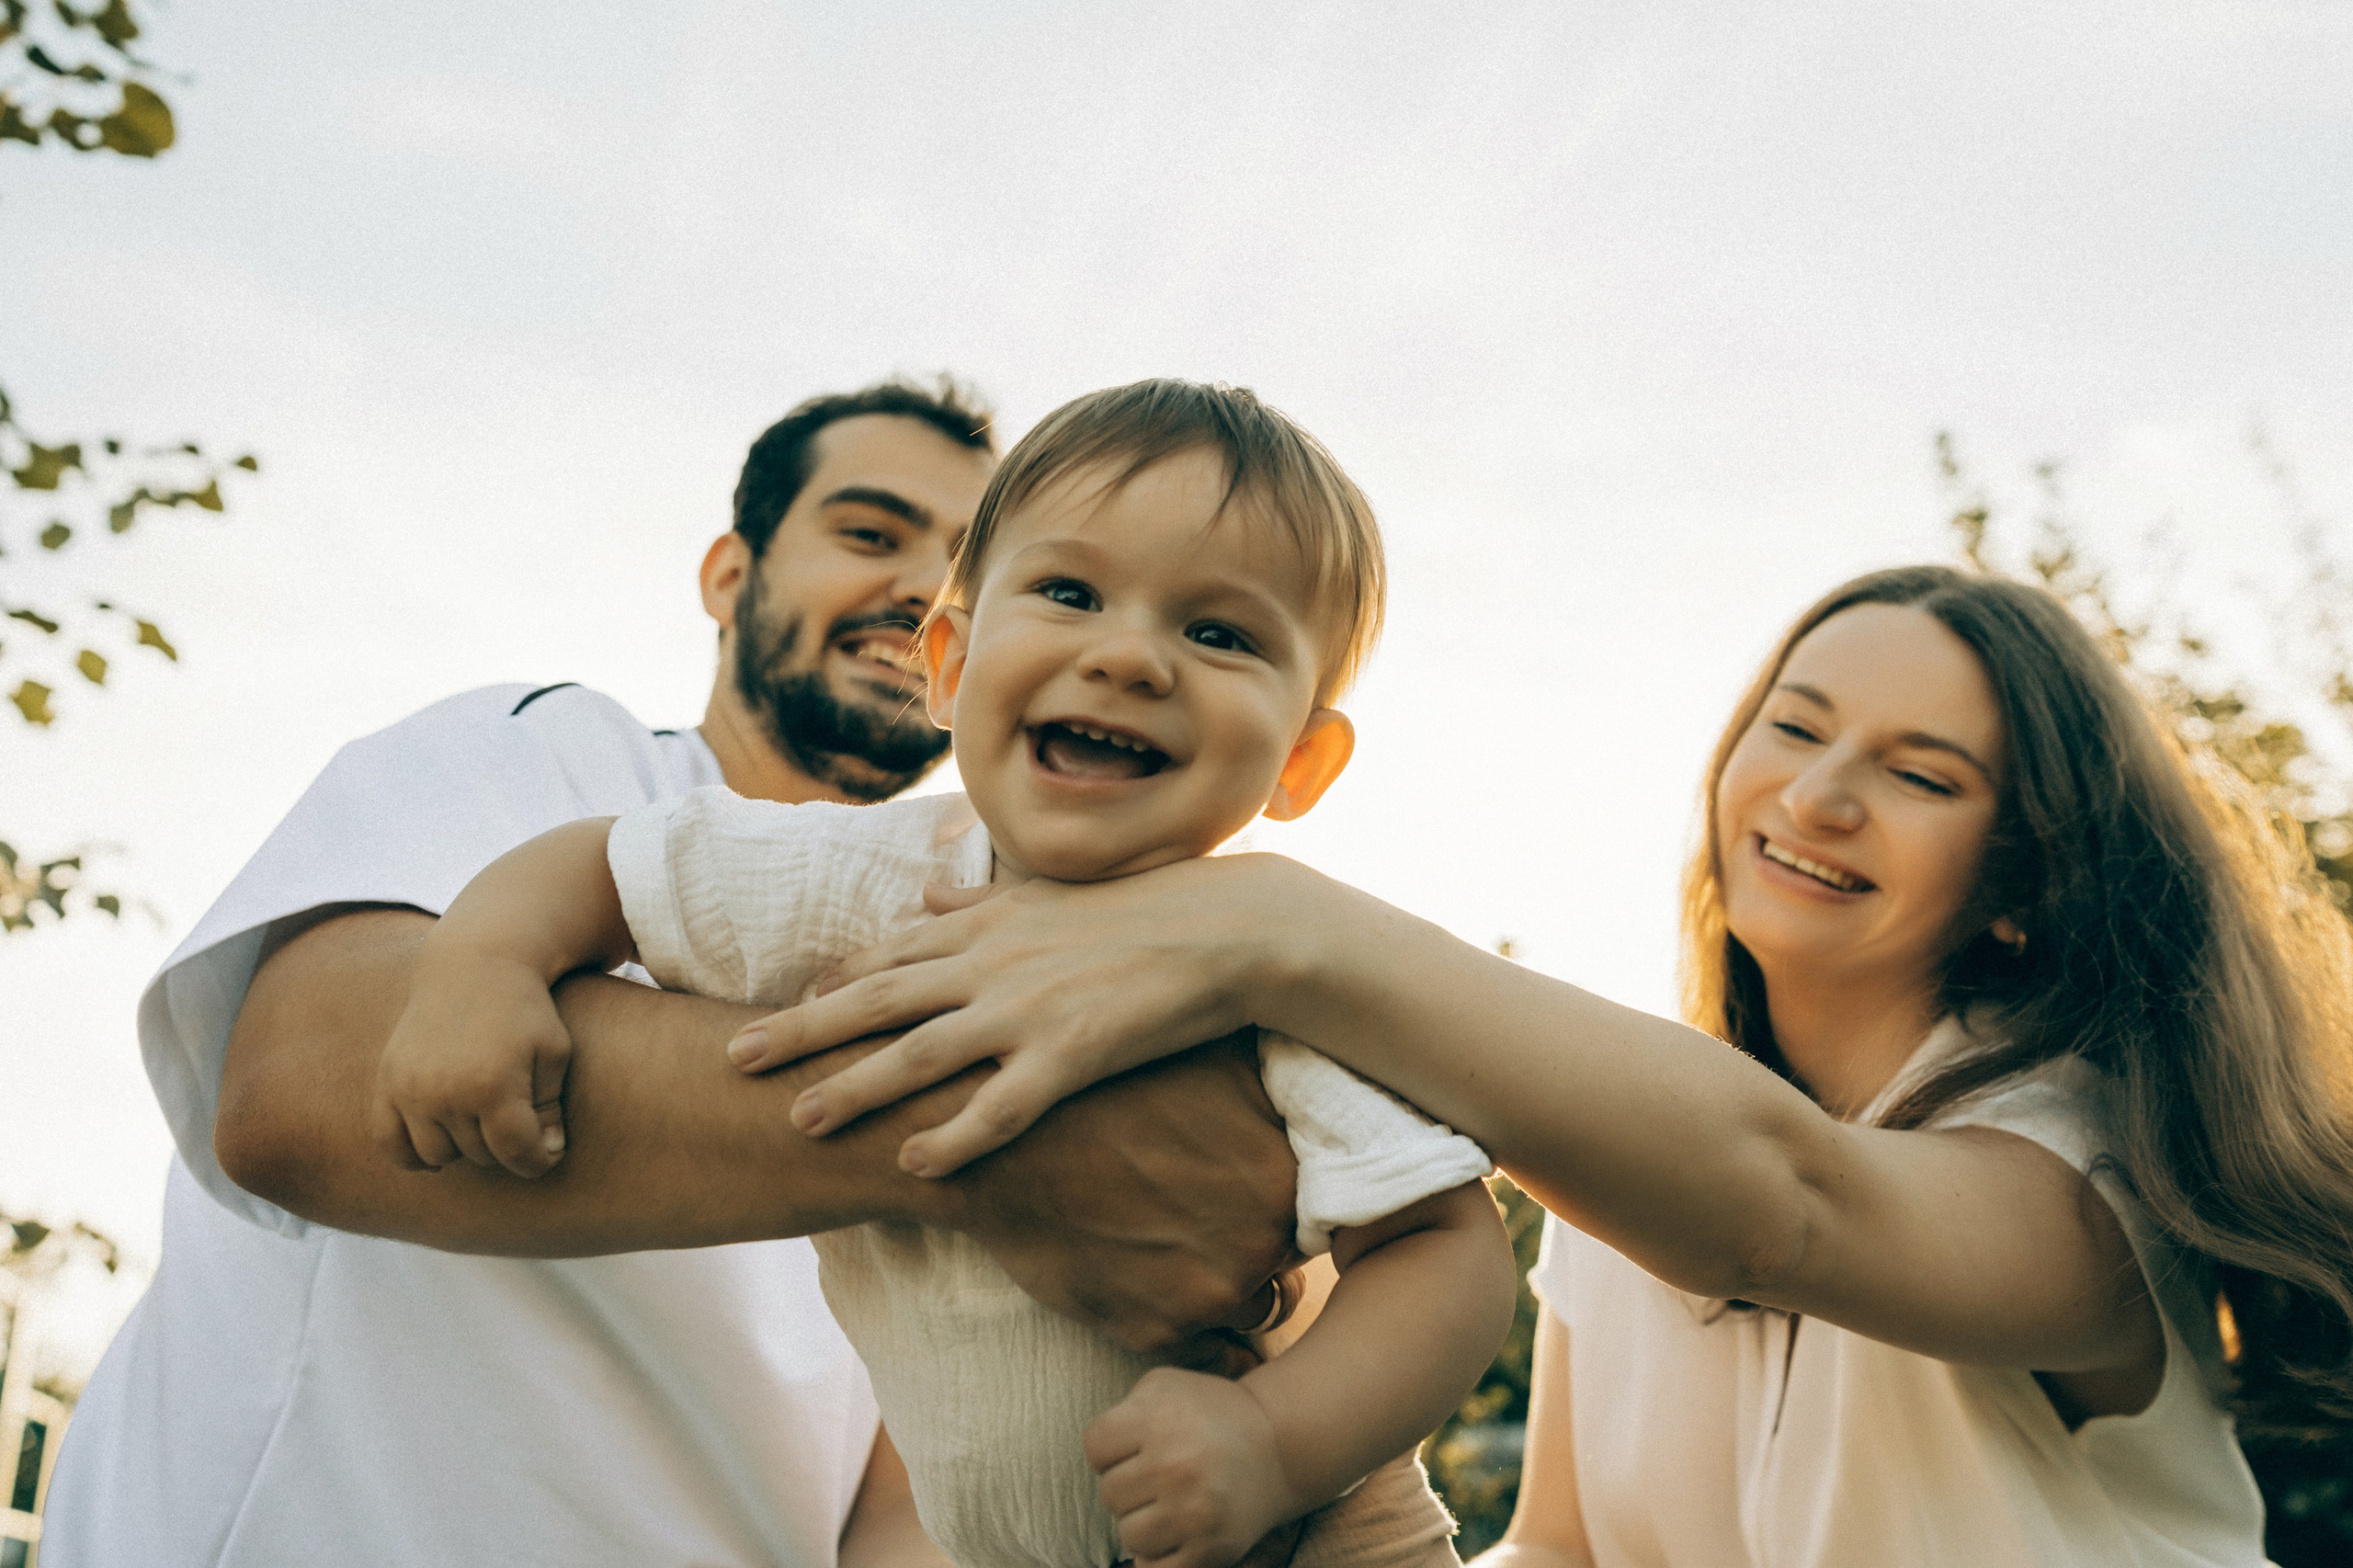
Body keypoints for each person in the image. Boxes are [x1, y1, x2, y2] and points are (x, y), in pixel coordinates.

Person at [750, 565, 2353, 1564]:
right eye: (1795, 727)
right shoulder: (1619, 1184)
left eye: (1923, 774)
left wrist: (1274, 923)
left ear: (2024, 878)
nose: (1819, 796)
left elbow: (1790, 1203)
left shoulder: (2088, 1167)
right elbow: (1567, 1549)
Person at [44, 379, 1307, 1568]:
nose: (921, 584)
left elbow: (901, 1510)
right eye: (869, 532)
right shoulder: (552, 754)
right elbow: (299, 1084)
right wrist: (990, 1144)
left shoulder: (1035, 952)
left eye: (971, 561)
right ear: (730, 575)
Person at [373, 380, 1518, 1568]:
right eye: (1071, 593)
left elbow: (1448, 1253)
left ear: (1301, 759)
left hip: (1314, 1536)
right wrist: (485, 963)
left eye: (1220, 634)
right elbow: (608, 867)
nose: (1129, 656)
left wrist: (1274, 1441)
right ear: (953, 663)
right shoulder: (856, 876)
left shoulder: (1264, 968)